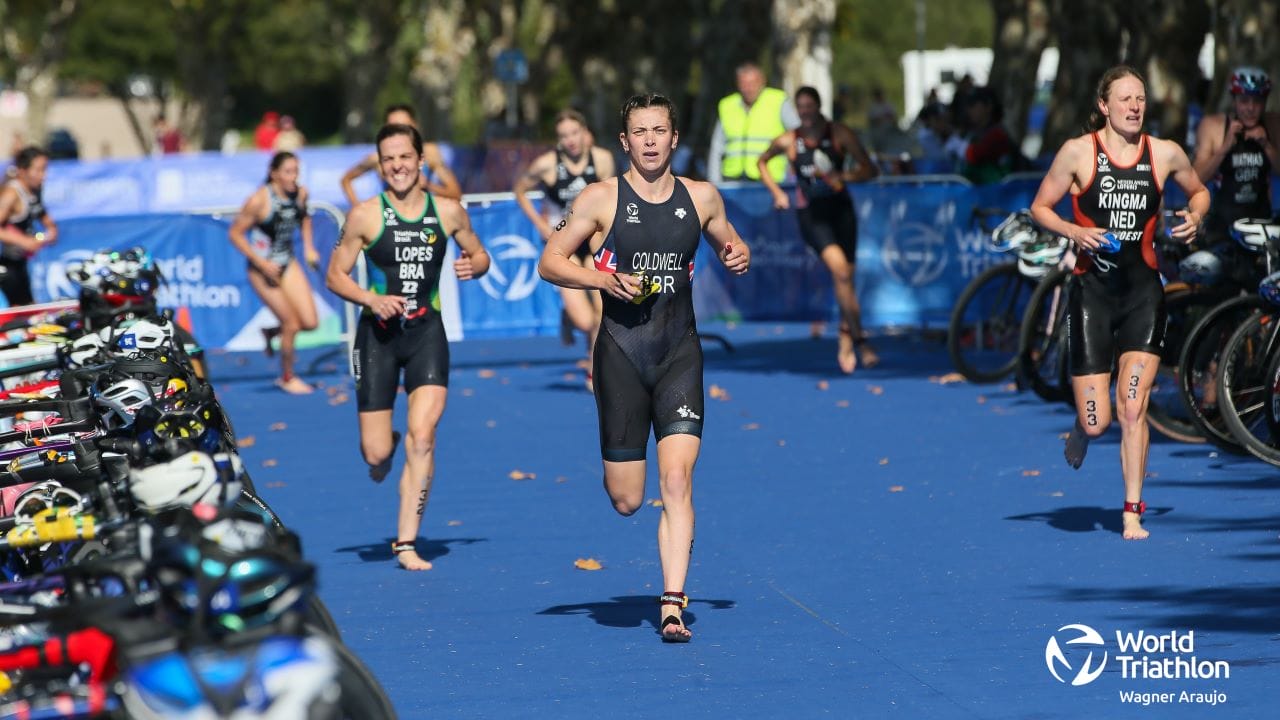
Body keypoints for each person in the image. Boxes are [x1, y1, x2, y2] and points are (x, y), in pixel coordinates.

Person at [538, 93, 750, 642]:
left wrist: (737, 252)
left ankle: (673, 604)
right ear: (624, 141)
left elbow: (729, 242)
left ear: (674, 139)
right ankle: (622, 463)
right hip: (620, 354)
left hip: (680, 353)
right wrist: (602, 280)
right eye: (640, 131)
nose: (651, 140)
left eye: (660, 130)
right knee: (628, 499)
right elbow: (550, 262)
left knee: (676, 480)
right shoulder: (599, 198)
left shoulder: (702, 197)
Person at [1029, 65, 1210, 540]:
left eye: (1141, 98)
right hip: (1092, 295)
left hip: (1143, 295)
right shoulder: (1078, 152)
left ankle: (1132, 510)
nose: (1135, 106)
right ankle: (1080, 425)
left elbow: (1200, 190)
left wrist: (1195, 215)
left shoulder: (1165, 153)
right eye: (1125, 99)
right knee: (1097, 423)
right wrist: (1076, 232)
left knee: (1133, 408)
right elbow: (1040, 207)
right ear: (1104, 106)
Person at [326, 123, 490, 571]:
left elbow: (480, 254)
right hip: (377, 339)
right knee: (377, 453)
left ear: (420, 161)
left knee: (424, 437)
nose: (397, 166)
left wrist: (474, 266)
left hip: (426, 335)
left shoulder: (449, 211)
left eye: (404, 157)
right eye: (388, 159)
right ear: (380, 167)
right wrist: (370, 298)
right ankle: (386, 442)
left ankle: (406, 543)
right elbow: (334, 275)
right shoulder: (364, 216)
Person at [757, 86, 880, 374]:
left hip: (841, 212)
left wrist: (844, 175)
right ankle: (862, 342)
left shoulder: (838, 134)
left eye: (810, 106)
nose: (805, 112)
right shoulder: (790, 140)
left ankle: (845, 338)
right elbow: (761, 161)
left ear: (819, 106)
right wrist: (777, 193)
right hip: (812, 216)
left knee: (846, 278)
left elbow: (870, 169)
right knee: (840, 272)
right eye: (801, 107)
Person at [514, 109, 617, 387]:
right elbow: (520, 189)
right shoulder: (547, 165)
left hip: (593, 242)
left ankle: (593, 371)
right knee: (585, 321)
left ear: (584, 132)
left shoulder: (603, 159)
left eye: (574, 133)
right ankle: (569, 316)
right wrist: (539, 222)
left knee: (601, 312)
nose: (570, 140)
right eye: (563, 136)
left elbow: (610, 199)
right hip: (564, 245)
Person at [228, 151, 321, 394]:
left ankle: (271, 332)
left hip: (286, 262)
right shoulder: (259, 200)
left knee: (310, 322)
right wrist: (260, 262)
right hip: (262, 269)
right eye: (288, 172)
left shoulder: (301, 193)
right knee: (291, 322)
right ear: (274, 174)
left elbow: (305, 218)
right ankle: (287, 377)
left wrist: (310, 248)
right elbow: (235, 233)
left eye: (296, 172)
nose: (293, 177)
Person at [1193, 67, 1279, 239]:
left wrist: (1266, 145)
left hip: (1261, 223)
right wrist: (1224, 148)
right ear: (1234, 100)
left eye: (1257, 101)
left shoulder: (1273, 124)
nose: (1250, 108)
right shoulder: (1213, 126)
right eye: (1244, 101)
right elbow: (1195, 178)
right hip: (1223, 224)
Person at [340, 104, 461, 207]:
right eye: (394, 127)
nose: (399, 132)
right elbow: (346, 180)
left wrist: (428, 186)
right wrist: (359, 209)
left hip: (422, 222)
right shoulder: (377, 157)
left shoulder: (430, 153)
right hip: (391, 224)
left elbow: (455, 194)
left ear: (415, 125)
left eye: (404, 126)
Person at [707, 62, 799, 183]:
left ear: (762, 82)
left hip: (770, 182)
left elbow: (797, 136)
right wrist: (714, 181)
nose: (748, 89)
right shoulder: (727, 105)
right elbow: (717, 146)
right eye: (743, 84)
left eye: (752, 83)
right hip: (731, 181)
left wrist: (793, 174)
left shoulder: (778, 100)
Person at [0, 146, 57, 306]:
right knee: (18, 312)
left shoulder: (34, 191)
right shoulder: (12, 194)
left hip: (21, 263)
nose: (43, 176)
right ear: (22, 171)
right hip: (7, 266)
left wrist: (51, 229)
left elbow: (42, 214)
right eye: (38, 170)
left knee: (29, 307)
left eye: (45, 170)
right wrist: (23, 241)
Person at [957, 87, 1015, 184]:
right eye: (968, 106)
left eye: (973, 105)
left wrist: (958, 145)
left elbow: (975, 155)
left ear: (988, 106)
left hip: (997, 193)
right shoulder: (972, 133)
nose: (969, 110)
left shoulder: (997, 134)